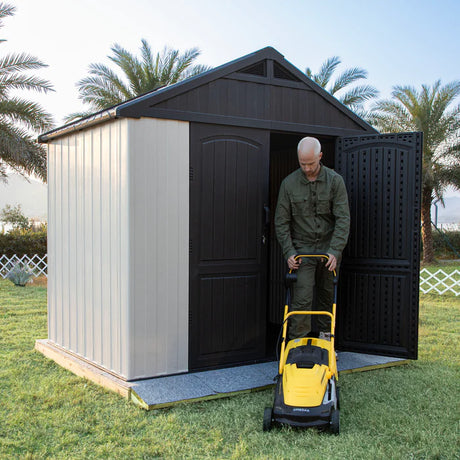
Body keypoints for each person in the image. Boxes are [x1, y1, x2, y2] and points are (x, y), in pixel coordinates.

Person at [274, 136, 350, 339]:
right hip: (302, 250)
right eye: (302, 164)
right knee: (302, 298)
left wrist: (335, 250)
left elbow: (343, 219)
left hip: (328, 250)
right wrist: (289, 252)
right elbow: (281, 222)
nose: (307, 168)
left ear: (320, 156)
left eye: (311, 163)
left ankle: (326, 340)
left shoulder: (335, 181)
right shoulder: (289, 184)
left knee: (327, 297)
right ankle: (297, 343)